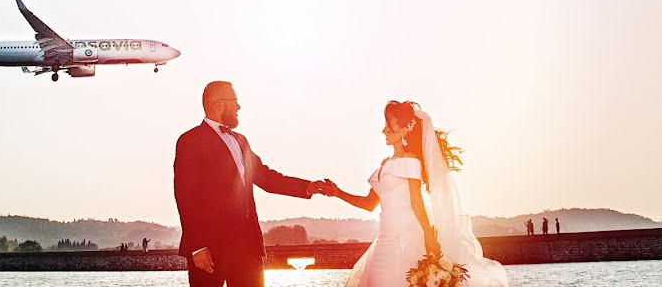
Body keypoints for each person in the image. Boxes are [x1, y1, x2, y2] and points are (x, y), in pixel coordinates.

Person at [324, 100, 508, 287]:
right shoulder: (385, 162)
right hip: (384, 241)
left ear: (404, 130)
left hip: (404, 240)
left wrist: (429, 237)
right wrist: (337, 192)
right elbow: (369, 203)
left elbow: (416, 201)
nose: (384, 131)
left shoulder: (411, 161)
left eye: (389, 126)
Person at [174, 80, 327, 287]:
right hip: (209, 249)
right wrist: (198, 246)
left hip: (248, 247)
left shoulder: (241, 140)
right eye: (234, 101)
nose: (239, 107)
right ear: (218, 104)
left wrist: (306, 187)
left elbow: (265, 177)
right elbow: (185, 197)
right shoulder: (189, 141)